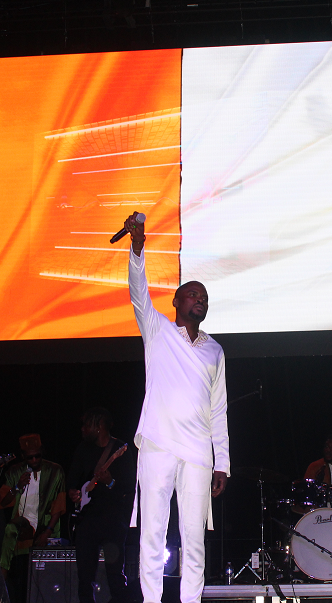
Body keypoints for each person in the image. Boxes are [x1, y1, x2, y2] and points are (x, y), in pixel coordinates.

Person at [124, 212, 230, 603]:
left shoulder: (215, 350)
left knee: (194, 541)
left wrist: (223, 463)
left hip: (200, 454)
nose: (200, 299)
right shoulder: (157, 330)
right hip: (158, 445)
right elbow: (138, 292)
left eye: (204, 296)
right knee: (152, 532)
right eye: (193, 293)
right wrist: (138, 250)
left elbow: (219, 411)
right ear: (177, 300)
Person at [68, 408, 139, 603]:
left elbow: (128, 488)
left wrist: (110, 482)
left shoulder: (121, 450)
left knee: (115, 576)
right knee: (85, 578)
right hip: (87, 520)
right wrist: (72, 492)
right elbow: (73, 478)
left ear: (99, 426)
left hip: (113, 521)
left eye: (87, 425)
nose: (83, 429)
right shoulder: (83, 449)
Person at [0, 434, 67, 603]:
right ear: (23, 456)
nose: (35, 460)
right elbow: (3, 501)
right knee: (10, 530)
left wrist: (48, 531)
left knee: (44, 581)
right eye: (30, 457)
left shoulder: (55, 470)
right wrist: (17, 487)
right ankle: (2, 573)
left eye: (38, 456)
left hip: (45, 524)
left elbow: (59, 504)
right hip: (24, 523)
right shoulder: (14, 472)